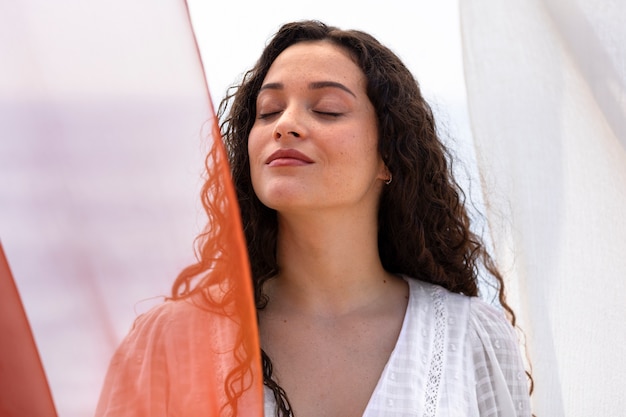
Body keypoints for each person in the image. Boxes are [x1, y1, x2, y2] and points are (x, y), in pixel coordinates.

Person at [96, 20, 532, 417]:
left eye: (326, 109)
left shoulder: (472, 339)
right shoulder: (172, 340)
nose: (285, 125)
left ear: (389, 156)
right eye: (268, 112)